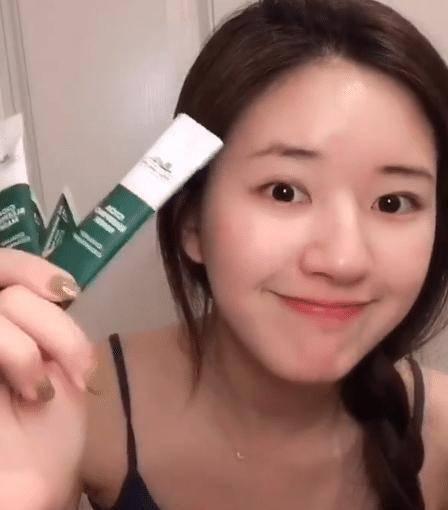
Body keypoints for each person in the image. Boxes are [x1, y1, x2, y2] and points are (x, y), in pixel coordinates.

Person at [1, 0, 448, 508]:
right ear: (192, 220)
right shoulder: (80, 399)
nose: (344, 261)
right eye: (284, 191)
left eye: (393, 202)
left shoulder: (441, 434)